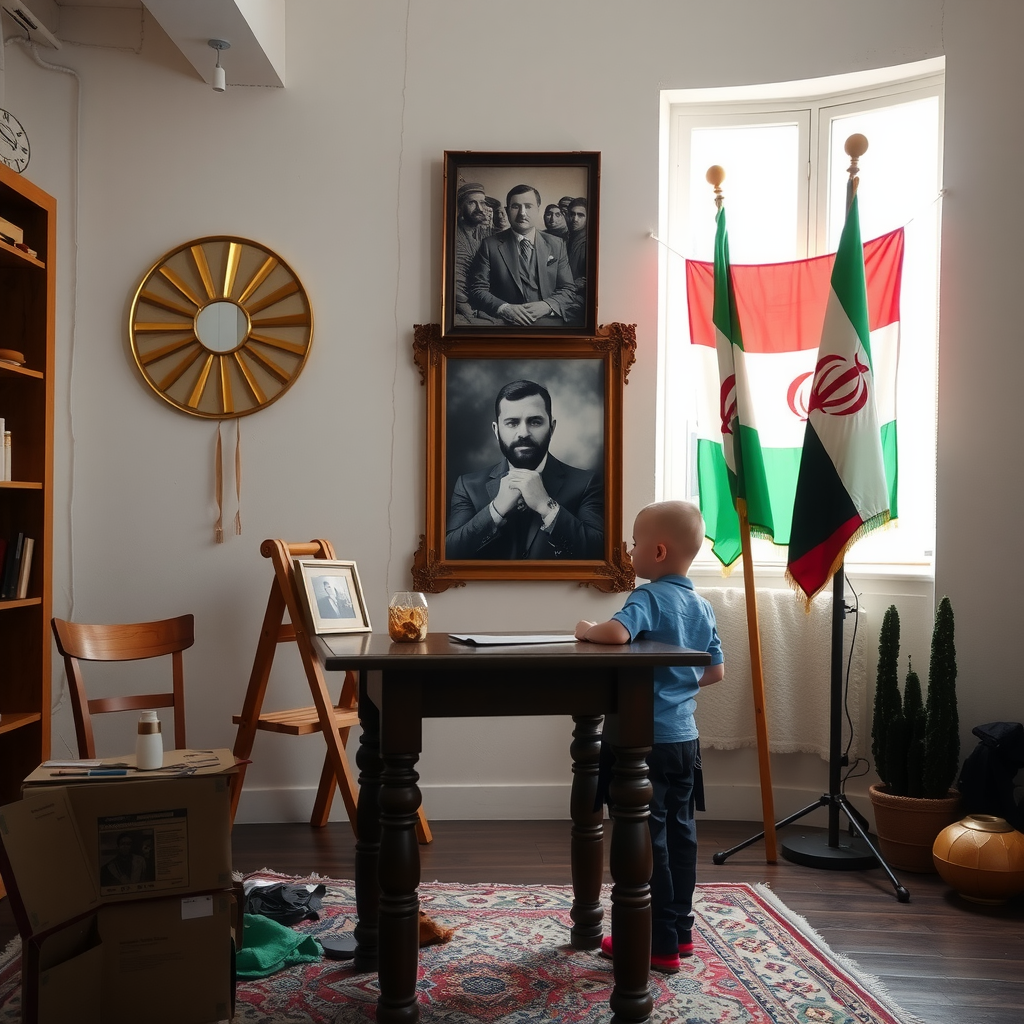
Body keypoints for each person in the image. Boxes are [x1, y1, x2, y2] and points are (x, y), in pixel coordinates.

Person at [575, 500, 724, 975]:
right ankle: (680, 933)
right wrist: (675, 687)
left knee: (648, 838)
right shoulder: (701, 606)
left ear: (657, 552)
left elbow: (616, 636)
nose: (629, 551)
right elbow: (714, 671)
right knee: (682, 834)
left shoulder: (648, 597)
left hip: (643, 741)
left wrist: (585, 629)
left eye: (635, 543)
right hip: (685, 740)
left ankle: (655, 944)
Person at [446, 379, 603, 560]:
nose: (523, 433)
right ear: (496, 430)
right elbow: (449, 554)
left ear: (552, 428)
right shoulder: (468, 486)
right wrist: (496, 509)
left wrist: (546, 506)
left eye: (535, 422)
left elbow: (599, 553)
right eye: (512, 423)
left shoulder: (587, 484)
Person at [467, 184, 580, 327]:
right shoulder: (489, 245)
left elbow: (568, 289)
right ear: (507, 211)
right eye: (515, 207)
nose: (522, 213)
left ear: (538, 208)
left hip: (549, 323)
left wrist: (547, 306)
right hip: (506, 323)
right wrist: (504, 308)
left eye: (528, 206)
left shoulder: (557, 244)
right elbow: (477, 289)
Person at [453, 181, 497, 324]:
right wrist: (473, 313)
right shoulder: (456, 237)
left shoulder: (483, 232)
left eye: (482, 203)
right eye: (472, 203)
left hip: (485, 303)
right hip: (466, 309)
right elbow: (458, 284)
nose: (480, 208)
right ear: (460, 207)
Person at [566, 196, 588, 283]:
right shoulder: (566, 239)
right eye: (572, 214)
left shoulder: (588, 244)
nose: (575, 219)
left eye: (580, 215)